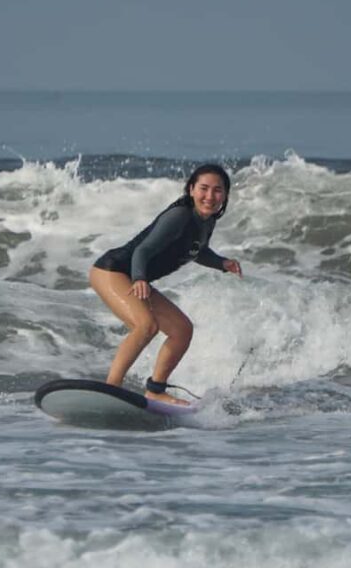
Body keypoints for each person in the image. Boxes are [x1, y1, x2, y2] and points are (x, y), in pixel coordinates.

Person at [89, 164, 242, 405]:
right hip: (113, 271)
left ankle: (156, 390)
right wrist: (140, 278)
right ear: (191, 189)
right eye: (203, 188)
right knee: (146, 325)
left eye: (217, 190)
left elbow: (196, 251)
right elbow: (143, 250)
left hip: (134, 276)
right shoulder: (179, 216)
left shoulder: (207, 221)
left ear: (225, 195)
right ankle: (111, 389)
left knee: (181, 330)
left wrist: (222, 263)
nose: (210, 196)